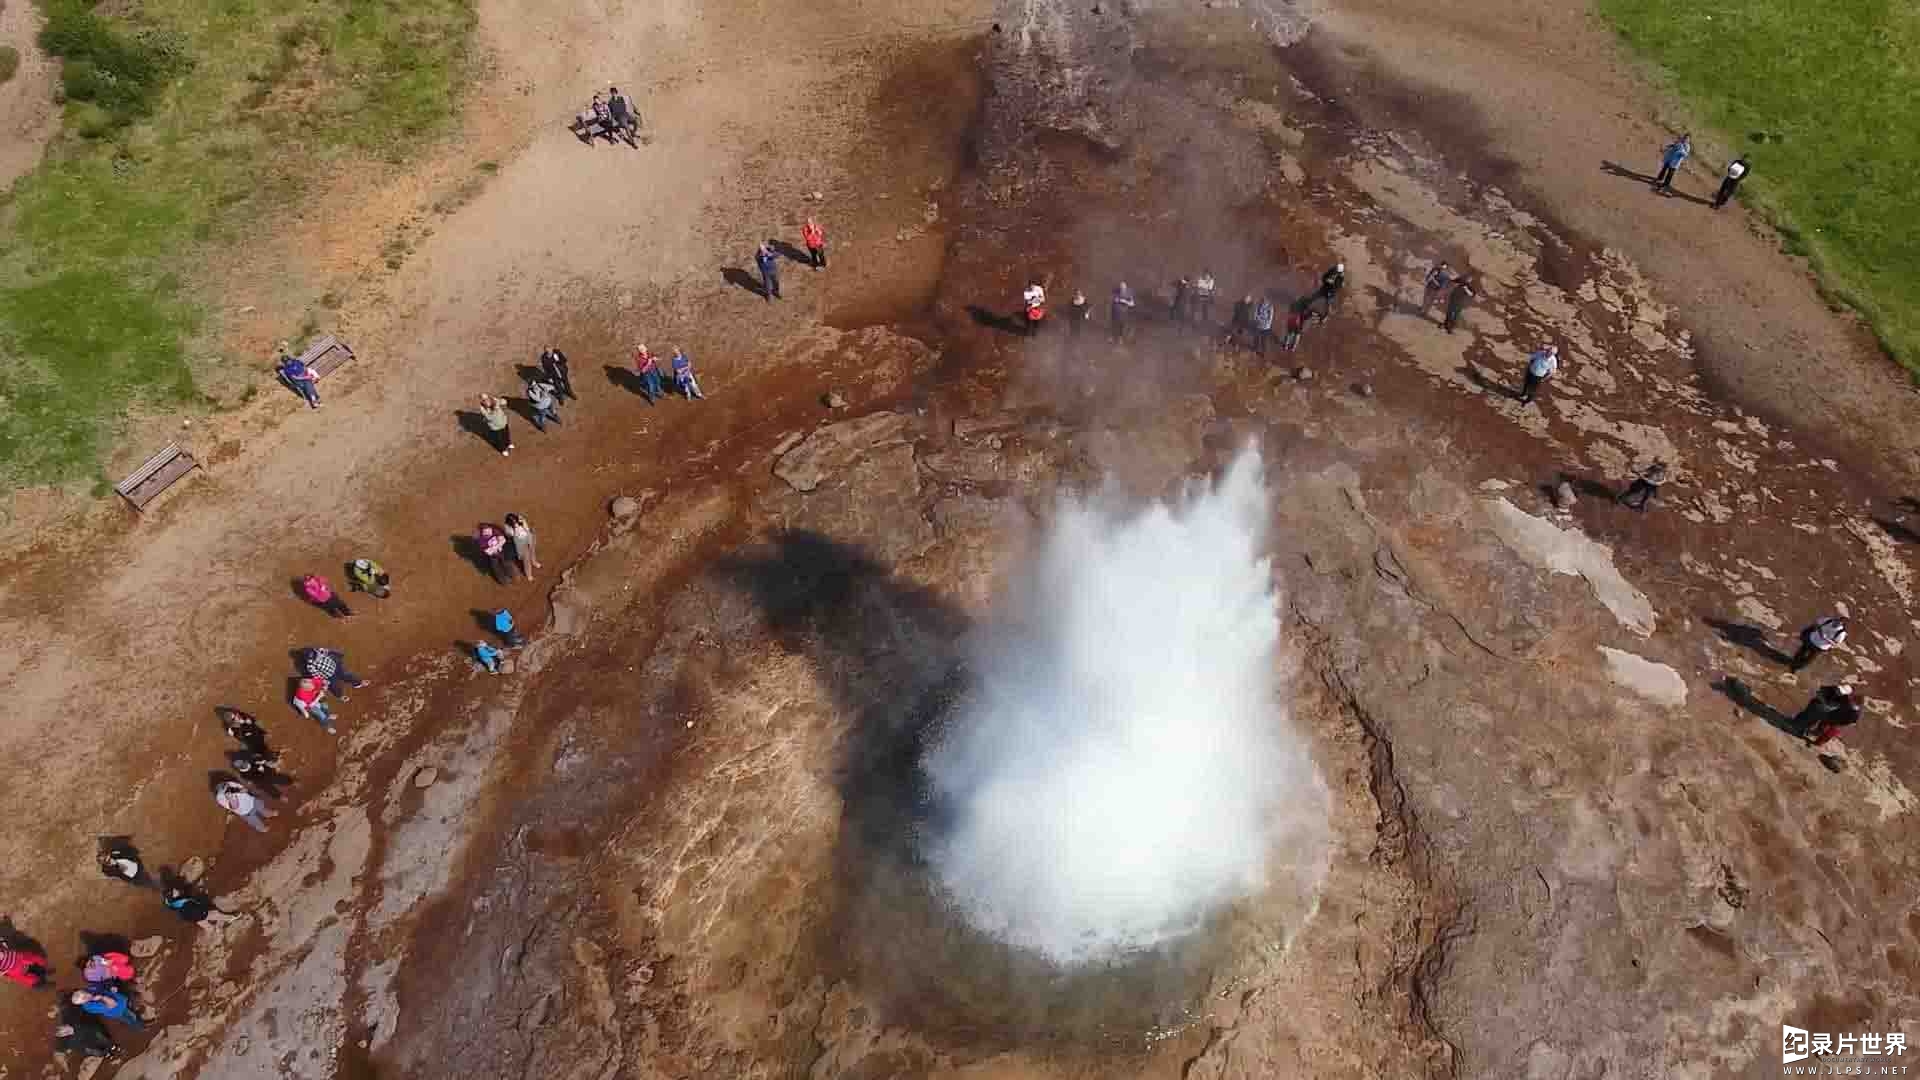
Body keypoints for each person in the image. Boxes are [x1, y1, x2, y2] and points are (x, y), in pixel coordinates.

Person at [1793, 683, 1860, 745]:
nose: (1839, 692)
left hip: (1832, 717)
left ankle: (1811, 736)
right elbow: (1819, 692)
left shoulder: (1846, 700)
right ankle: (1797, 726)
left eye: (1841, 692)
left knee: (1824, 728)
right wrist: (1824, 702)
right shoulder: (1833, 689)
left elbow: (1851, 721)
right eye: (1839, 691)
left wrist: (1830, 707)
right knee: (1807, 716)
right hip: (1819, 706)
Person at [161, 878, 241, 928]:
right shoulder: (183, 901)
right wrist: (205, 911)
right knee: (216, 914)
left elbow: (170, 904)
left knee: (207, 927)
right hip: (200, 914)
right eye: (174, 891)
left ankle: (212, 930)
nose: (176, 890)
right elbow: (195, 905)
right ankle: (231, 918)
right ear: (173, 897)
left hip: (193, 918)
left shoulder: (171, 903)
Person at [303, 646, 369, 700]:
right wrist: (325, 682)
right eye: (314, 657)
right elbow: (317, 676)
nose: (317, 657)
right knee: (334, 686)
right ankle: (340, 695)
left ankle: (358, 682)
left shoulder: (320, 651)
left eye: (315, 654)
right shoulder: (310, 666)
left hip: (336, 666)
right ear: (309, 659)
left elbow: (330, 652)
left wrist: (339, 655)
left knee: (346, 675)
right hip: (329, 676)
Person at [53, 1010, 120, 1059]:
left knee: (101, 1036)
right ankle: (106, 1054)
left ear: (65, 1025)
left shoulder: (75, 1022)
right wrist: (88, 1049)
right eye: (63, 1033)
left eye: (64, 1029)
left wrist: (76, 1030)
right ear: (63, 1035)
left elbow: (90, 1027)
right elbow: (81, 1048)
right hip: (90, 1043)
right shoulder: (71, 1042)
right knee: (93, 1051)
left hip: (95, 1034)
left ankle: (112, 1046)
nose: (65, 1032)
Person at [69, 988, 142, 1030]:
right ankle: (140, 1026)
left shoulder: (88, 990)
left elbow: (101, 989)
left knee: (131, 1014)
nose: (87, 994)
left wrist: (111, 989)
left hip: (121, 1003)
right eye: (84, 998)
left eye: (84, 992)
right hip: (118, 1010)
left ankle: (138, 1021)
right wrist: (102, 997)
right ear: (82, 1002)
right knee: (131, 1017)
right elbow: (113, 1004)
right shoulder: (90, 1006)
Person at [504, 513, 540, 577]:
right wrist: (515, 528)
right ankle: (529, 574)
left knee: (532, 551)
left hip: (528, 537)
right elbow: (512, 535)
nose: (515, 522)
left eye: (515, 520)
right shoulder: (507, 527)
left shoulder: (521, 519)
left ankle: (534, 562)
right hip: (520, 543)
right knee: (526, 559)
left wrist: (523, 523)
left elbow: (527, 529)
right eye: (513, 522)